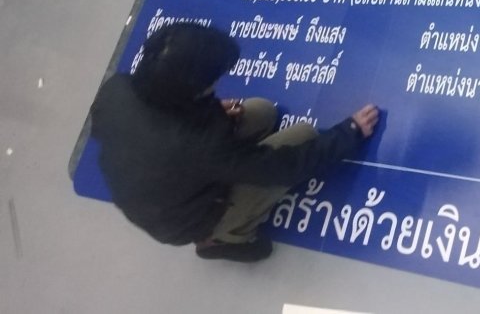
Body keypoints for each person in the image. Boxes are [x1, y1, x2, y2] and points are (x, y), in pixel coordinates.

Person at [89, 22, 380, 262]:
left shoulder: (118, 88)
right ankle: (220, 239)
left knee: (262, 111)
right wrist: (349, 132)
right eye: (213, 80)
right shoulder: (196, 148)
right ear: (191, 87)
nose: (218, 83)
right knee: (304, 136)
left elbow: (154, 128)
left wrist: (208, 114)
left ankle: (210, 190)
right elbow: (282, 167)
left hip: (164, 176)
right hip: (183, 218)